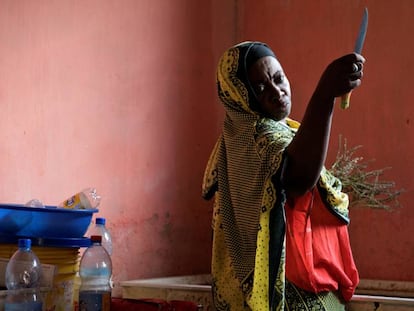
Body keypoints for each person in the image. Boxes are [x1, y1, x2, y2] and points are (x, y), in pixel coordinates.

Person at [202, 41, 365, 310]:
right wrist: (324, 94)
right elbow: (299, 177)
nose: (277, 91)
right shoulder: (255, 138)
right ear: (238, 96)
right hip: (284, 289)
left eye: (278, 79)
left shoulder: (240, 138)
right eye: (260, 87)